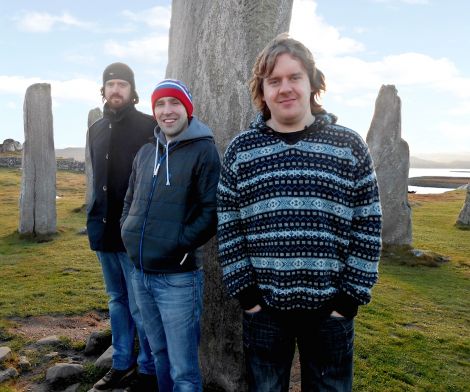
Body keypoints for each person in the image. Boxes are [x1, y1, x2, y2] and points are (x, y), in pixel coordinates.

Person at [217, 33, 382, 392]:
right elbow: (228, 226)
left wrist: (349, 300)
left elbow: (368, 225)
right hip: (265, 311)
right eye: (273, 81)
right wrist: (248, 298)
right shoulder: (241, 151)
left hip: (331, 311)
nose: (285, 88)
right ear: (262, 90)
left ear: (313, 83)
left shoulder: (349, 146)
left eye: (294, 77)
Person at [120, 79, 221, 391]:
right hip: (140, 273)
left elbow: (210, 212)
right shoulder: (145, 153)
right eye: (160, 104)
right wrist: (127, 231)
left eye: (174, 103)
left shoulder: (204, 151)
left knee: (183, 370)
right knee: (159, 353)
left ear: (187, 109)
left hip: (178, 278)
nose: (167, 111)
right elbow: (128, 200)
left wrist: (177, 245)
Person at [86, 62, 157, 391]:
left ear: (132, 91)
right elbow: (96, 180)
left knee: (140, 305)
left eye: (122, 84)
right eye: (110, 84)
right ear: (103, 89)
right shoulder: (95, 129)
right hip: (102, 230)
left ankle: (147, 370)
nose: (116, 89)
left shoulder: (149, 125)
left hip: (133, 233)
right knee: (116, 301)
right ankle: (121, 364)